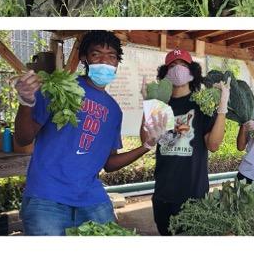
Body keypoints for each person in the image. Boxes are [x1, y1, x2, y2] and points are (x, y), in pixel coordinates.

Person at [12, 30, 167, 236]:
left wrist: (146, 147)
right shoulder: (61, 88)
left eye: (111, 56)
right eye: (97, 55)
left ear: (117, 63)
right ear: (85, 58)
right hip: (47, 196)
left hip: (91, 198)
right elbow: (23, 138)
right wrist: (26, 102)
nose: (105, 61)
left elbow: (110, 164)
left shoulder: (114, 110)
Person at [143, 49, 229, 236]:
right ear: (165, 73)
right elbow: (146, 140)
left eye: (182, 65)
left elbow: (213, 146)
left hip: (194, 195)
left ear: (192, 71)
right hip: (163, 194)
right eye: (172, 66)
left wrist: (221, 110)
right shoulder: (161, 104)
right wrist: (148, 105)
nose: (177, 69)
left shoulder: (201, 104)